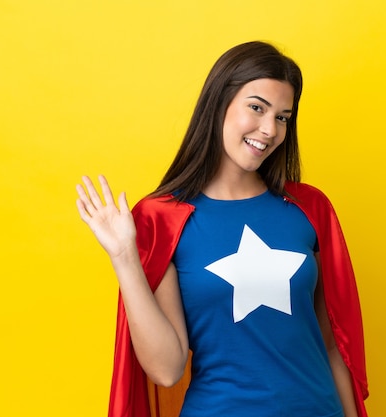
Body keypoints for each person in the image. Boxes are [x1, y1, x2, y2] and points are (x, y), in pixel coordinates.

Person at [76, 41, 368, 417]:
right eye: (257, 107)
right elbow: (166, 370)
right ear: (219, 104)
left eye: (282, 117)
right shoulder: (163, 217)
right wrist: (124, 257)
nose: (269, 130)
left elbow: (332, 346)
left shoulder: (309, 208)